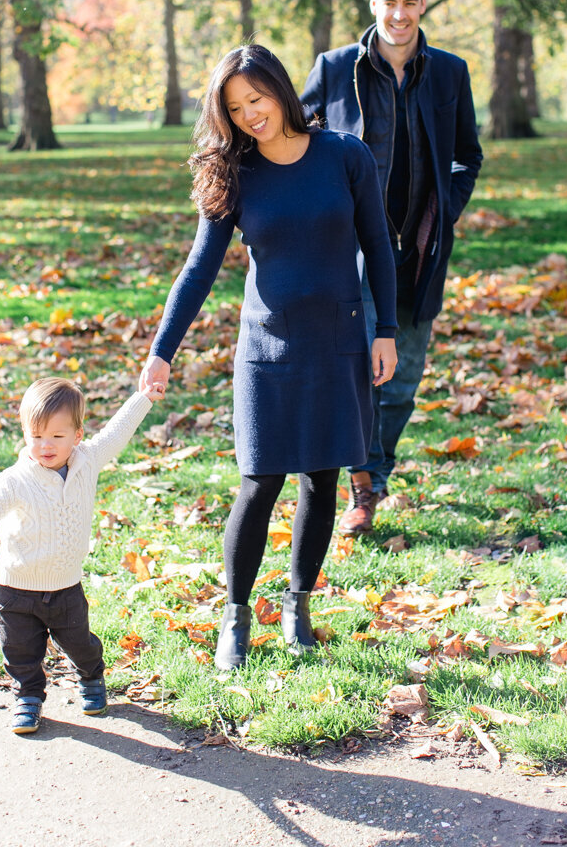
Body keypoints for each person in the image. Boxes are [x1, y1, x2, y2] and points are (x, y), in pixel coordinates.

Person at [141, 44, 397, 671]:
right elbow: (200, 267)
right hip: (267, 349)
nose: (250, 114)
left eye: (256, 98)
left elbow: (378, 246)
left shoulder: (345, 155)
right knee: (259, 483)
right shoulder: (238, 173)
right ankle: (236, 615)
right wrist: (161, 351)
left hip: (338, 341)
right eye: (235, 107)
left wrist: (386, 328)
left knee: (323, 479)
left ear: (281, 90)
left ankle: (298, 605)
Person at [301, 0, 483, 536]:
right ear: (373, 5)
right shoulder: (335, 70)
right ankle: (360, 485)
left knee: (401, 378)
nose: (399, 14)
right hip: (349, 251)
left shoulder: (450, 73)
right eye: (389, 3)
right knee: (356, 370)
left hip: (418, 252)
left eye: (410, 2)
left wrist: (444, 214)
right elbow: (296, 139)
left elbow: (466, 156)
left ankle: (376, 473)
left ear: (422, 3)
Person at [0, 375, 163, 734]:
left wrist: (143, 397)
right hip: (16, 587)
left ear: (77, 436)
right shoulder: (15, 480)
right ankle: (28, 697)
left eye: (57, 436)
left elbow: (118, 432)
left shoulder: (89, 460)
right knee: (20, 651)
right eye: (36, 436)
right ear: (25, 434)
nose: (46, 445)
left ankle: (91, 676)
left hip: (65, 586)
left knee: (79, 643)